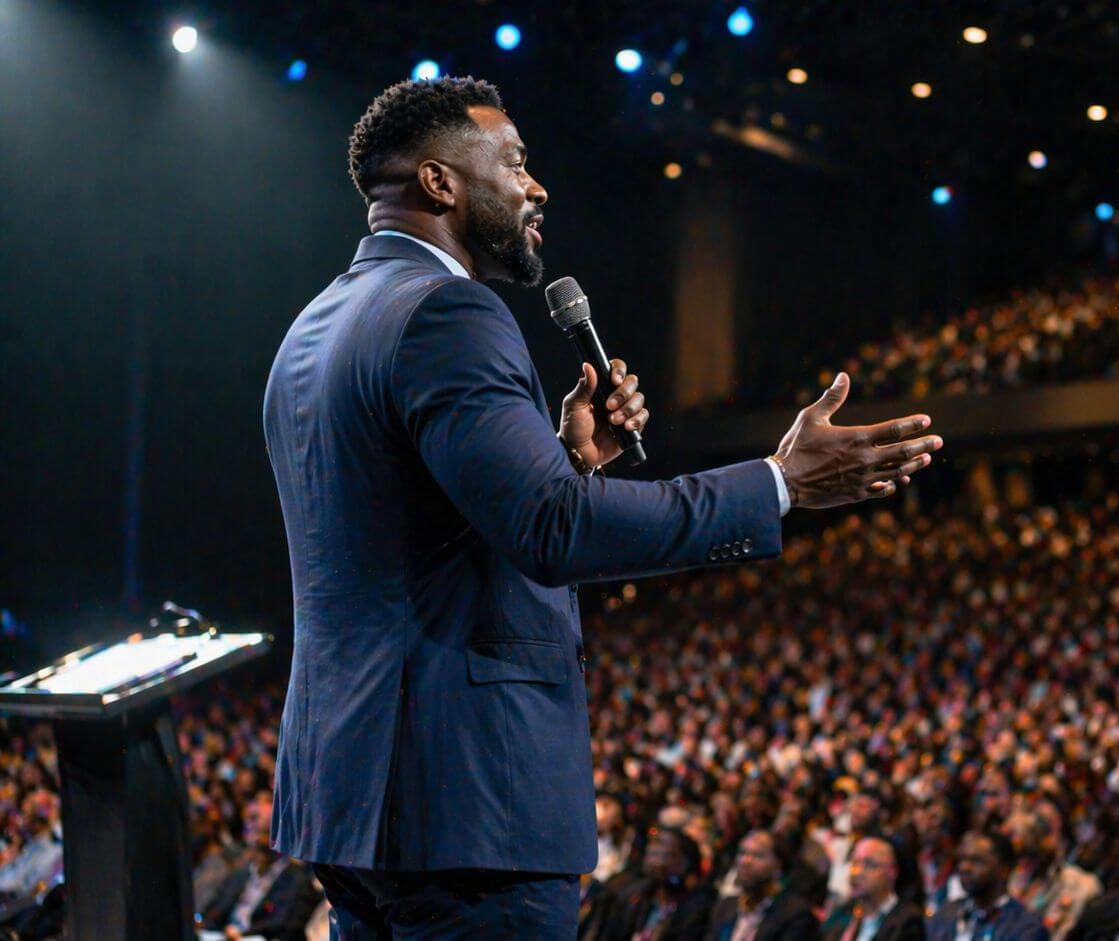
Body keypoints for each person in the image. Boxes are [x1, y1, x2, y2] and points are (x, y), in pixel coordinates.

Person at [263, 76, 942, 937]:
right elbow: (555, 530)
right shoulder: (450, 313)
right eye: (514, 162)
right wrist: (779, 481)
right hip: (468, 805)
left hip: (350, 799)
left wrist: (569, 461)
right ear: (439, 182)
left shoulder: (315, 327)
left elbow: (421, 534)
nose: (535, 186)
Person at [199, 793, 322, 941]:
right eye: (249, 818)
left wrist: (241, 935)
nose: (249, 825)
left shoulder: (296, 880)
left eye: (255, 818)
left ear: (279, 829)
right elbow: (212, 912)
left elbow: (285, 928)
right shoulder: (241, 872)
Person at [584, 827, 715, 941]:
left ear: (684, 862)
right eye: (652, 846)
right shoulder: (635, 896)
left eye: (662, 847)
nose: (653, 852)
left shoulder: (698, 906)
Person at [1006, 802, 1103, 941]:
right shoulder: (1011, 881)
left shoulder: (1080, 884)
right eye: (1017, 857)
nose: (1023, 865)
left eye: (1027, 854)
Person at [928, 831, 1049, 941]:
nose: (964, 867)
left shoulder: (1025, 927)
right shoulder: (947, 912)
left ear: (1004, 869)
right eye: (962, 860)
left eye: (977, 861)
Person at [704, 831, 819, 941]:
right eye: (742, 853)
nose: (746, 861)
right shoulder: (725, 907)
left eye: (758, 855)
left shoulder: (795, 915)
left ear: (778, 864)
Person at [821, 836, 926, 941]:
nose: (856, 872)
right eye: (854, 862)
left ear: (892, 871)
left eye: (869, 864)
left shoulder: (908, 921)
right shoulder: (843, 913)